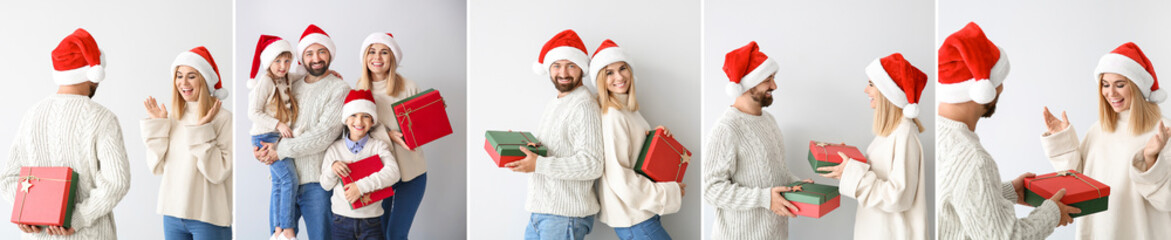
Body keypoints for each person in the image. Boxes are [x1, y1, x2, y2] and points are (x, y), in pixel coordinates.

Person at [935, 22, 1079, 239]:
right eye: (998, 81)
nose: (1001, 88)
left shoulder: (938, 136)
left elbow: (955, 201)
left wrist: (1006, 191)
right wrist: (1052, 213)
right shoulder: (974, 159)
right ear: (981, 89)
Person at [1, 28, 131, 239]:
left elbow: (8, 177)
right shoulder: (103, 119)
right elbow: (117, 182)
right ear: (93, 73)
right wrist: (78, 218)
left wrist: (26, 212)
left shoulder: (32, 115)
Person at [1039, 42, 1171, 239]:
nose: (1111, 93)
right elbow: (1077, 181)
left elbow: (1166, 200)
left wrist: (1150, 160)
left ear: (1137, 87)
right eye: (1105, 84)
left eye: (1120, 84)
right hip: (1099, 232)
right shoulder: (1099, 130)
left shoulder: (1162, 131)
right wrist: (1063, 140)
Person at [702, 41, 812, 240]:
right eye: (767, 79)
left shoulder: (769, 121)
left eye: (773, 78)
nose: (774, 86)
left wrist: (795, 184)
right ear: (747, 83)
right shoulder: (726, 129)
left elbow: (775, 173)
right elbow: (711, 190)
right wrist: (764, 198)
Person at [254, 24, 351, 240]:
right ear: (301, 58)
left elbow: (323, 135)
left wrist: (279, 150)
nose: (316, 58)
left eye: (321, 51)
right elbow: (270, 117)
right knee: (279, 237)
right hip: (284, 178)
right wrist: (262, 149)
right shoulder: (291, 85)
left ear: (330, 54)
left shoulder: (339, 88)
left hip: (316, 183)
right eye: (309, 53)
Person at [816, 53, 927, 240]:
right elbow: (881, 176)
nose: (866, 91)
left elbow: (898, 197)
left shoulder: (904, 134)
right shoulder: (890, 133)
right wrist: (850, 164)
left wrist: (852, 173)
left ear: (886, 92)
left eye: (871, 84)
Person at [507, 29, 603, 240]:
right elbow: (555, 148)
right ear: (549, 69)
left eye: (571, 65)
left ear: (581, 68)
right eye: (557, 65)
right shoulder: (556, 102)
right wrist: (522, 144)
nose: (564, 73)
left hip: (564, 216)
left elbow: (592, 163)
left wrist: (539, 164)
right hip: (541, 212)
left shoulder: (583, 105)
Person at [591, 39, 682, 240]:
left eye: (622, 68)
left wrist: (652, 138)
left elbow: (634, 157)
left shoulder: (628, 111)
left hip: (640, 214)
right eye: (609, 72)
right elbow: (619, 177)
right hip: (635, 217)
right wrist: (667, 192)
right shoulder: (614, 115)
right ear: (600, 80)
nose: (619, 76)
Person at [141, 46, 233, 239]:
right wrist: (158, 126)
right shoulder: (173, 116)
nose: (183, 82)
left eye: (191, 76)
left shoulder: (223, 119)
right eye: (179, 75)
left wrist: (202, 129)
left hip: (208, 217)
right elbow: (156, 167)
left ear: (204, 79)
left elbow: (219, 172)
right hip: (172, 215)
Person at [352, 32, 428, 240]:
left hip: (412, 173)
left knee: (396, 234)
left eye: (384, 52)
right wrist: (388, 134)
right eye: (372, 52)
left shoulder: (409, 86)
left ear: (392, 57)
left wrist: (433, 114)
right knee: (378, 234)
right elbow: (356, 127)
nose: (377, 57)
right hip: (379, 174)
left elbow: (423, 128)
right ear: (365, 57)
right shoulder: (360, 88)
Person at [320, 89, 401, 240]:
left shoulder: (378, 146)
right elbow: (325, 185)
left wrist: (360, 187)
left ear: (372, 122)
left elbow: (394, 173)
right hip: (341, 220)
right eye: (353, 115)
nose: (359, 121)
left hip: (372, 221)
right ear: (346, 119)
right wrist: (332, 169)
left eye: (365, 116)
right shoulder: (335, 149)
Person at [247, 34, 301, 240]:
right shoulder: (266, 82)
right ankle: (287, 228)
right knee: (289, 179)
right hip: (264, 136)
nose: (283, 65)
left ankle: (277, 230)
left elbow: (301, 77)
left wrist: (329, 72)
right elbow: (253, 112)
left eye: (287, 61)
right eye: (277, 61)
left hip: (276, 137)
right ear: (269, 62)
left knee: (279, 183)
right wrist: (278, 124)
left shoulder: (286, 77)